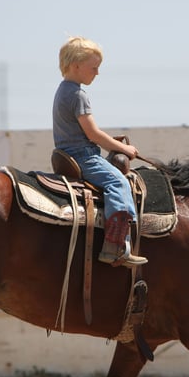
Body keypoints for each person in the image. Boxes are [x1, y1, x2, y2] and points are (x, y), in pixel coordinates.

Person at [52, 36, 147, 268]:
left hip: (67, 152)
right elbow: (93, 134)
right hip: (84, 156)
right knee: (119, 184)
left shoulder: (62, 90)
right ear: (76, 66)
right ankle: (115, 247)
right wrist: (124, 148)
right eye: (93, 67)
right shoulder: (78, 94)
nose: (97, 73)